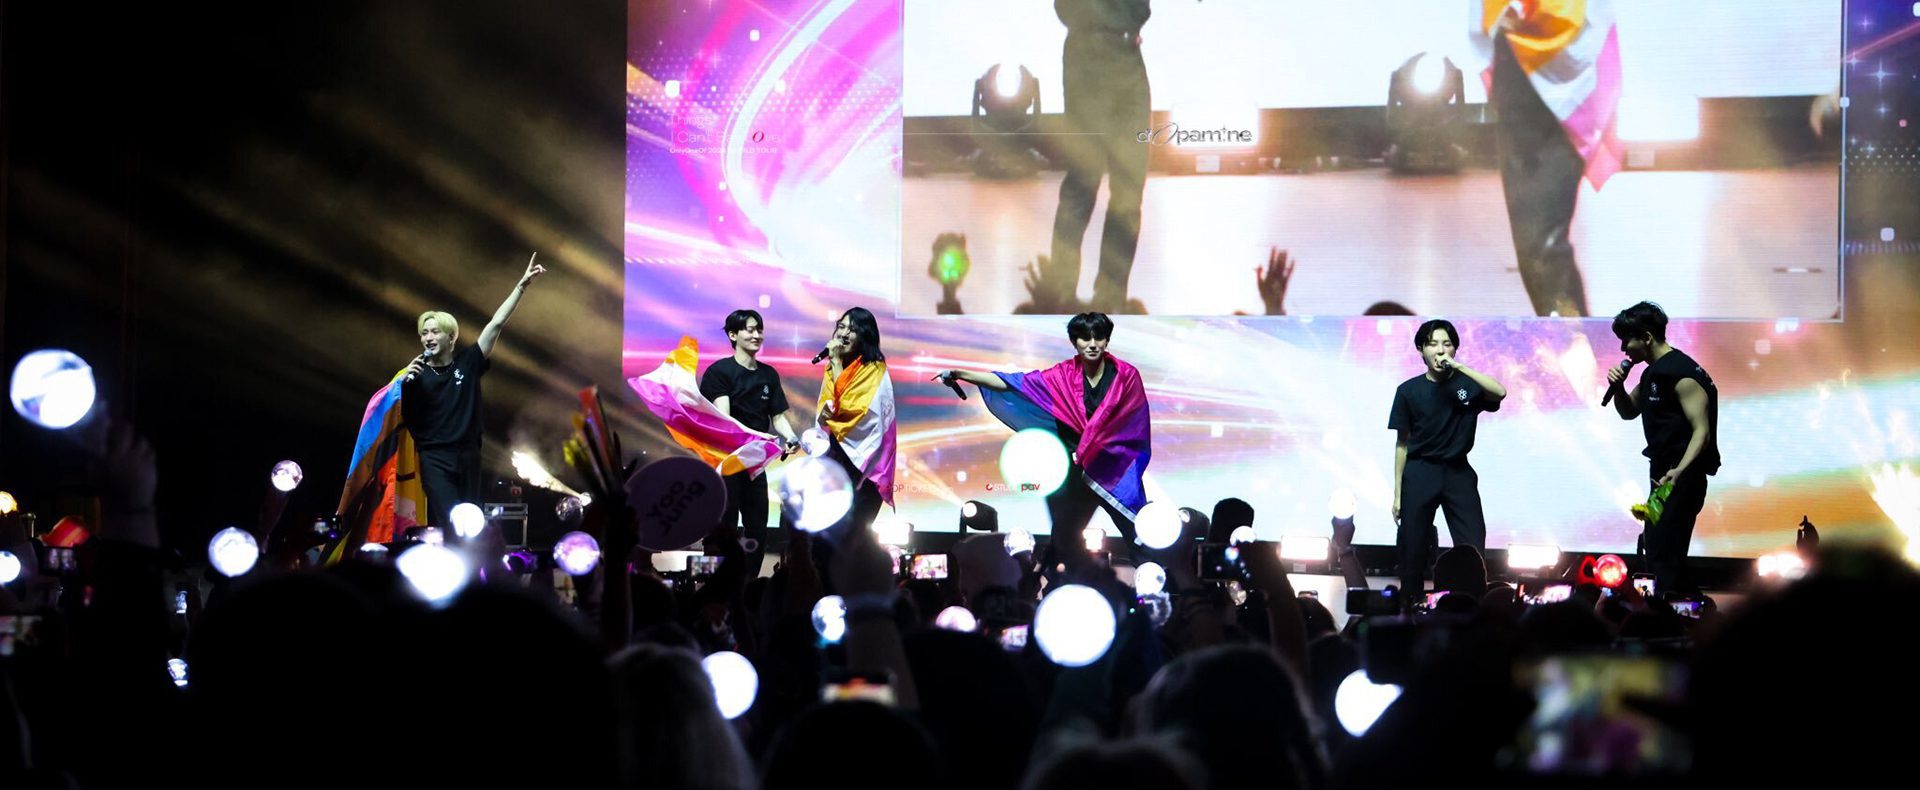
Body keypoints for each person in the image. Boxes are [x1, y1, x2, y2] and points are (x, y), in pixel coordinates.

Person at [936, 312, 1151, 571]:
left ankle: (1155, 596)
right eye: (1085, 337)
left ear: (1107, 341)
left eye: (1099, 337)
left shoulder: (1126, 376)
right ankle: (1055, 591)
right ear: (1074, 342)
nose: (1092, 343)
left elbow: (1134, 424)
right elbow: (1012, 383)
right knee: (1064, 540)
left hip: (1113, 472)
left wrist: (1098, 447)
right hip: (1074, 472)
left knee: (1139, 536)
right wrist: (962, 373)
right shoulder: (1062, 376)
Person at [1474, 0, 1623, 316]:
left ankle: (1576, 348)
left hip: (1563, 74)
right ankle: (1568, 343)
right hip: (1515, 70)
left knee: (1544, 243)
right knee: (1531, 245)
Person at [400, 254, 545, 530]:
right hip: (435, 458)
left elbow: (496, 324)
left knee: (470, 526)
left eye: (434, 331)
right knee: (451, 522)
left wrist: (521, 287)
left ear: (451, 337)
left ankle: (471, 571)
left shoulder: (468, 361)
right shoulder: (414, 374)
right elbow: (405, 417)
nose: (428, 337)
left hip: (468, 456)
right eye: (424, 333)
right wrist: (407, 384)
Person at [1047, 0, 1153, 314]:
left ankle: (1110, 295)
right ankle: (1061, 292)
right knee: (1084, 179)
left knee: (1130, 185)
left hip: (1129, 52)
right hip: (1089, 56)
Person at [1605, 301, 1718, 594]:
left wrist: (1679, 471)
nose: (1623, 349)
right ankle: (1673, 611)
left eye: (1626, 340)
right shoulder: (1652, 373)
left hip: (1681, 478)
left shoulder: (1680, 374)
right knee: (1657, 550)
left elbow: (1701, 432)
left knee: (1666, 555)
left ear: (1646, 338)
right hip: (1663, 479)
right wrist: (1618, 387)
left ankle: (1677, 616)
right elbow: (1628, 411)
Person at [1389, 319, 1505, 597]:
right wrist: (1396, 494)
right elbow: (1401, 444)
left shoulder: (1468, 384)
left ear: (1454, 349)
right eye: (1433, 344)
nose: (1440, 350)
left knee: (1472, 545)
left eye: (1447, 344)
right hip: (1419, 471)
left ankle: (1471, 606)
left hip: (1458, 472)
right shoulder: (1408, 391)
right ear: (1420, 350)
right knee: (1413, 547)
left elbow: (1500, 392)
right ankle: (1411, 607)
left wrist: (1460, 368)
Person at [701, 309, 799, 566]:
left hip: (756, 465)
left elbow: (777, 416)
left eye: (759, 329)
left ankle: (750, 584)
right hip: (727, 462)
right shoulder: (719, 372)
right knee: (724, 525)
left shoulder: (768, 374)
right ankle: (717, 587)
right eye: (749, 329)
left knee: (758, 527)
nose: (756, 335)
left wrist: (790, 437)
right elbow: (725, 420)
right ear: (733, 335)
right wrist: (760, 439)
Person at [816, 307, 897, 533]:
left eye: (852, 329)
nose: (843, 334)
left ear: (865, 335)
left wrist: (836, 362)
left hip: (864, 460)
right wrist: (823, 418)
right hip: (836, 454)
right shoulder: (833, 367)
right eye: (841, 327)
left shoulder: (874, 369)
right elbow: (829, 409)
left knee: (852, 534)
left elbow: (852, 408)